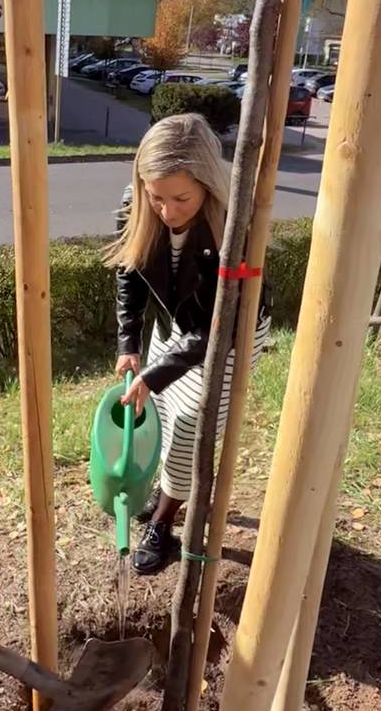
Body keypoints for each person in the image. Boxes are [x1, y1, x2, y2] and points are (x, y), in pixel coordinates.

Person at [106, 113, 271, 576]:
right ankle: (167, 492)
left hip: (228, 336)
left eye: (181, 198)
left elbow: (216, 329)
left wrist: (155, 374)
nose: (167, 211)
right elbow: (130, 271)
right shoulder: (136, 203)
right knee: (159, 414)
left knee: (189, 429)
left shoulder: (233, 229)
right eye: (156, 197)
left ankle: (164, 522)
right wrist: (129, 342)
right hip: (174, 324)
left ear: (208, 185)